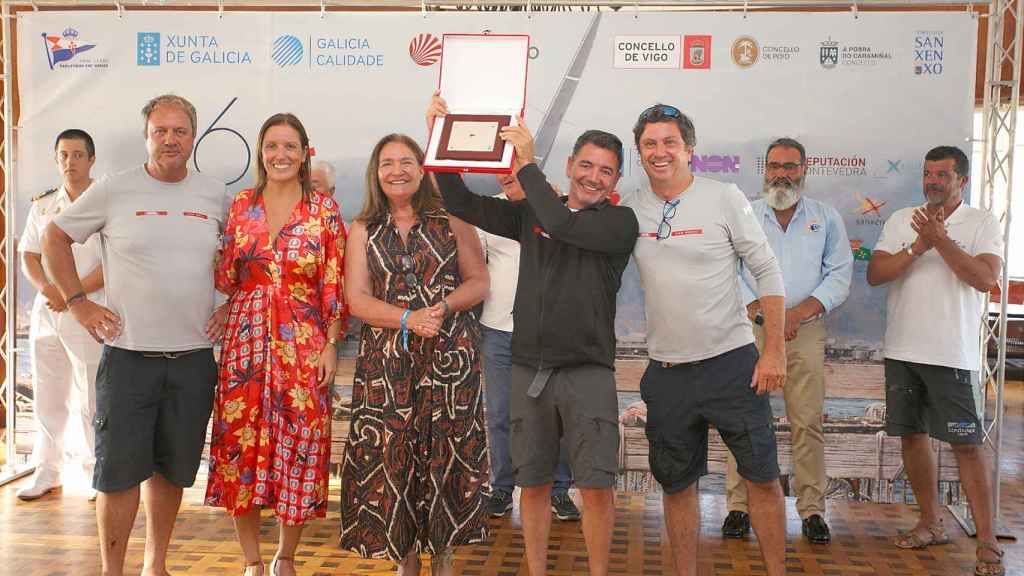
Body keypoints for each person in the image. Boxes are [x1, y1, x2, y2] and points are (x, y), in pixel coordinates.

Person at [428, 93, 638, 576]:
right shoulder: (533, 212)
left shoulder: (619, 223)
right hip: (528, 370)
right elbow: (459, 201)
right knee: (535, 483)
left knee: (596, 487)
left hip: (586, 373)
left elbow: (562, 224)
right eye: (586, 165)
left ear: (616, 181)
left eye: (605, 171)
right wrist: (442, 141)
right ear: (570, 165)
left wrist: (527, 167)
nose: (593, 177)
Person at [42, 94, 228, 576]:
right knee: (118, 473)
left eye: (180, 131)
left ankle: (156, 565)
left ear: (193, 137)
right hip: (128, 359)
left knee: (171, 470)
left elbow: (241, 263)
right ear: (146, 136)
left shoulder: (216, 196)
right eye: (160, 131)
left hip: (192, 359)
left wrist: (230, 308)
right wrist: (78, 303)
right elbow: (54, 239)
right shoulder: (113, 189)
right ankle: (112, 571)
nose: (170, 139)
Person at [621, 104, 787, 576]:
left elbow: (766, 270)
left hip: (732, 366)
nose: (660, 152)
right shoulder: (631, 208)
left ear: (689, 149)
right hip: (667, 374)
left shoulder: (724, 197)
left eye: (669, 142)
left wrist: (773, 350)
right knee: (676, 487)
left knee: (762, 480)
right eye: (650, 143)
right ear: (639, 151)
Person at [339, 133, 490, 576]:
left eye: (407, 161)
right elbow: (357, 300)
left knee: (446, 458)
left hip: (450, 362)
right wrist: (408, 319)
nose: (397, 170)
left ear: (423, 169)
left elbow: (479, 281)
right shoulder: (363, 228)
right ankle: (406, 561)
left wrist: (441, 308)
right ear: (375, 173)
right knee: (395, 461)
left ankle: (443, 557)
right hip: (388, 366)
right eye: (387, 163)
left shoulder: (452, 218)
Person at [204, 113, 346, 576]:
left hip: (303, 342)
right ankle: (252, 561)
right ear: (261, 152)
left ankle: (286, 556)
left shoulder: (323, 210)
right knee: (240, 446)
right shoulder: (242, 204)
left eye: (290, 146)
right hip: (245, 341)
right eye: (271, 146)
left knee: (300, 444)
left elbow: (334, 285)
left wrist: (330, 345)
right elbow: (227, 276)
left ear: (306, 152)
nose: (280, 155)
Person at [867, 146, 1004, 576]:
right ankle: (930, 522)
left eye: (942, 175)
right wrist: (918, 246)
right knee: (912, 437)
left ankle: (987, 544)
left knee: (966, 445)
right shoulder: (900, 219)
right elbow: (876, 274)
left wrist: (941, 241)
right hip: (903, 350)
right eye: (928, 174)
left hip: (952, 354)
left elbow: (985, 279)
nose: (933, 181)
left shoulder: (981, 221)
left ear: (961, 179)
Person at [724, 137, 852, 544]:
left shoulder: (826, 218)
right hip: (750, 328)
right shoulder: (745, 214)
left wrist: (796, 314)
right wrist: (765, 314)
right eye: (775, 166)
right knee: (744, 421)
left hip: (804, 329)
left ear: (804, 169)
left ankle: (812, 510)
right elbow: (730, 270)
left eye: (790, 166)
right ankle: (737, 508)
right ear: (765, 170)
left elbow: (840, 275)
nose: (781, 173)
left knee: (807, 422)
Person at [477, 172, 580, 522]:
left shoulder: (560, 205)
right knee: (501, 413)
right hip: (498, 331)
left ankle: (560, 489)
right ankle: (502, 487)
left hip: (549, 333)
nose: (505, 175)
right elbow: (476, 271)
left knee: (557, 414)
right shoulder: (488, 212)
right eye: (499, 169)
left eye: (513, 166)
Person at [17, 128, 104, 502]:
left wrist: (74, 294)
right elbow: (29, 255)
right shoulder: (44, 205)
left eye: (77, 155)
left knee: (91, 396)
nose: (70, 163)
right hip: (48, 311)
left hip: (87, 309)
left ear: (91, 159)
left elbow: (113, 262)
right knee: (49, 396)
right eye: (64, 155)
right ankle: (48, 470)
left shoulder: (104, 202)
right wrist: (47, 288)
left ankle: (95, 471)